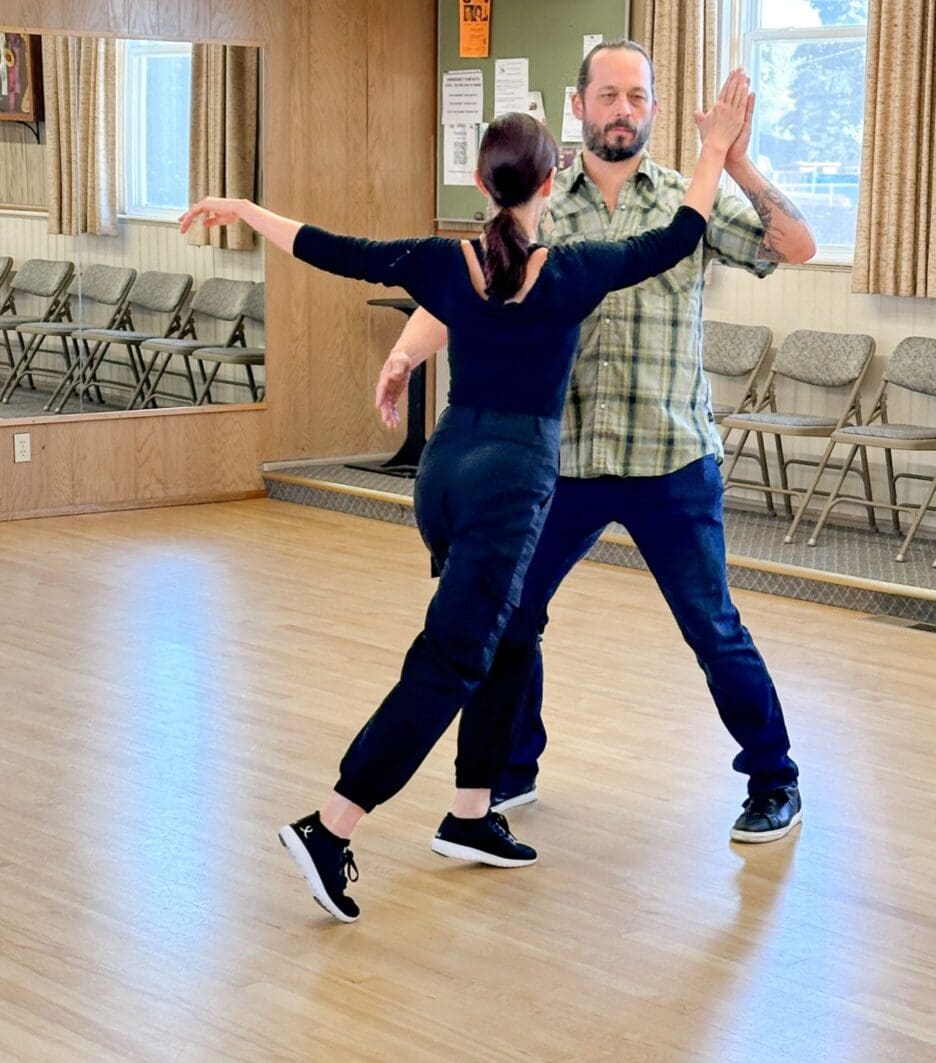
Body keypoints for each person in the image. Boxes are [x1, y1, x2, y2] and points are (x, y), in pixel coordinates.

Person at [180, 78, 748, 922]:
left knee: (506, 634)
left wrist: (246, 209)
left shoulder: (444, 263)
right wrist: (712, 150)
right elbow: (679, 235)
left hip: (445, 473)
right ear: (550, 181)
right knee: (450, 659)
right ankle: (331, 827)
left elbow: (331, 248)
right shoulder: (575, 272)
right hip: (510, 485)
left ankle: (473, 814)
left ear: (481, 183)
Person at [379, 43, 816, 845]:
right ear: (577, 105)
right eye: (609, 94)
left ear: (653, 108)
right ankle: (509, 772)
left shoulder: (690, 198)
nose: (624, 109)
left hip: (670, 459)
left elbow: (796, 247)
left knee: (714, 630)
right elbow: (462, 289)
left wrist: (735, 161)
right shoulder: (540, 201)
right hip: (561, 463)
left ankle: (773, 780)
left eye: (637, 96)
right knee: (511, 618)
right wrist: (406, 354)